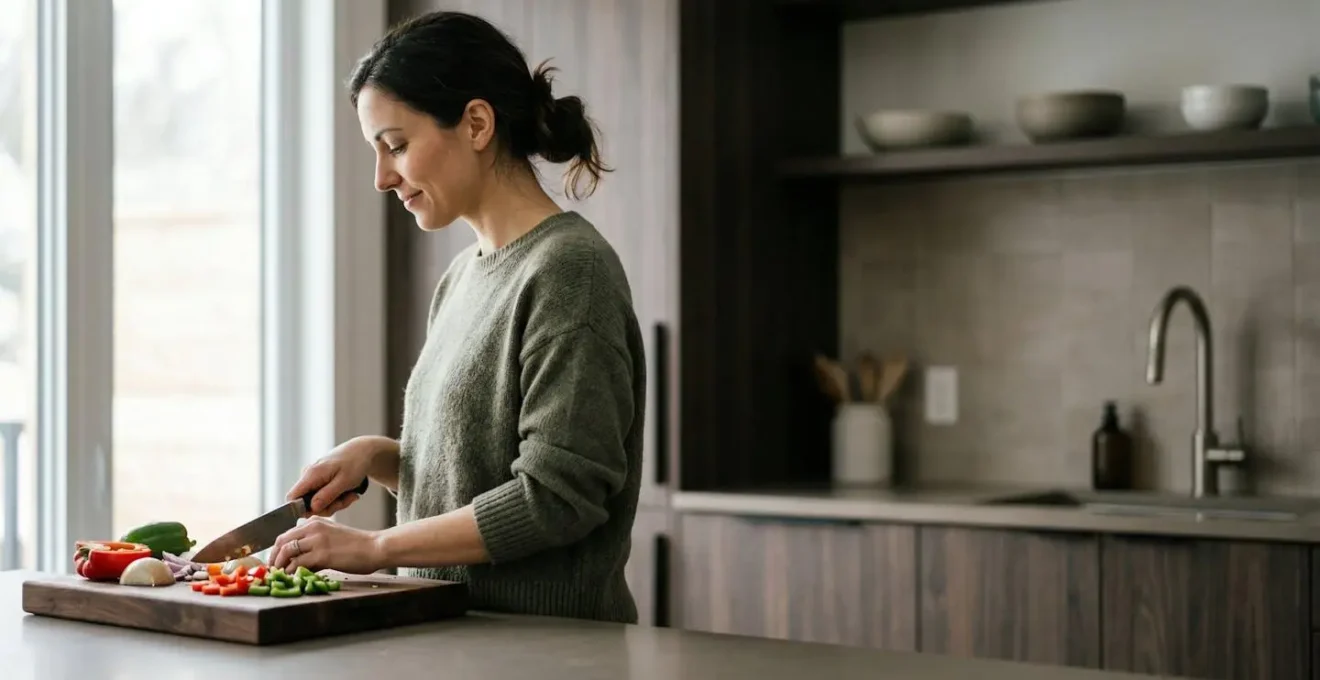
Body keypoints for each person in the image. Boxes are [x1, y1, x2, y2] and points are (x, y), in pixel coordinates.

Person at [267, 10, 646, 625]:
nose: (382, 178)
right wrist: (382, 456)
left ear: (475, 123)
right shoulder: (462, 277)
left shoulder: (571, 272)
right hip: (454, 640)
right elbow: (480, 470)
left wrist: (376, 547)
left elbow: (558, 496)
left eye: (396, 145)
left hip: (547, 655)